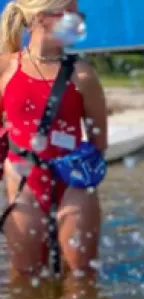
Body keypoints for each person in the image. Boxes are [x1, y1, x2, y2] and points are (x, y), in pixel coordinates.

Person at [0, 0, 108, 278]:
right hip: (24, 182)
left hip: (74, 183)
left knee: (80, 281)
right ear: (41, 18)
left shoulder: (83, 74)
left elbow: (99, 143)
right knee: (26, 283)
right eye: (70, 13)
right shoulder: (5, 68)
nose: (79, 21)